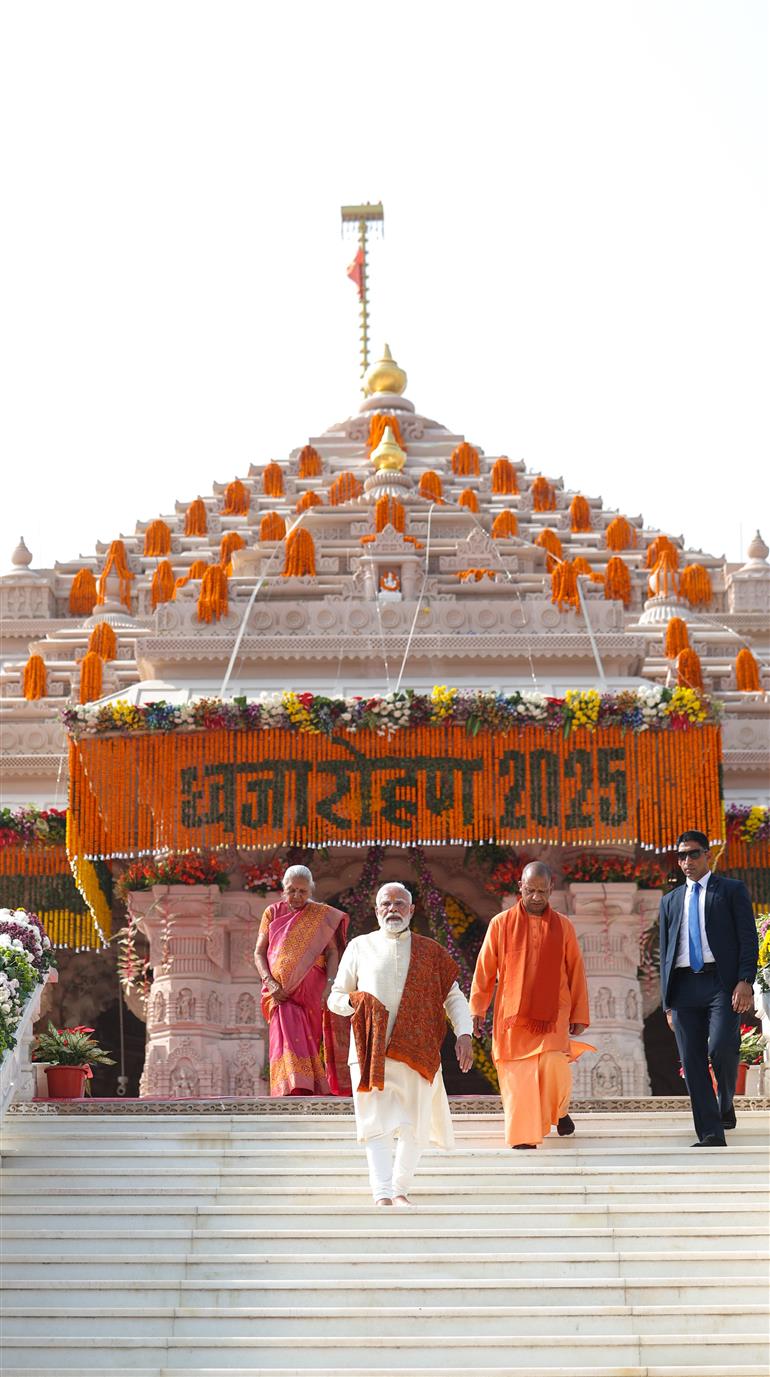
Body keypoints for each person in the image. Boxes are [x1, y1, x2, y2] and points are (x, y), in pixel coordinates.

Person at [327, 882, 473, 1206]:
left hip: (417, 1052)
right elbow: (335, 997)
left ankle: (400, 1189)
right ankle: (381, 1193)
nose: (392, 909)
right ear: (377, 910)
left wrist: (464, 1033)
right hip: (369, 1050)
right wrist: (359, 1003)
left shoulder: (431, 951)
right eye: (386, 904)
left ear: (411, 910)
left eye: (399, 903)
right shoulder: (359, 947)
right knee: (375, 1124)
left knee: (414, 1125)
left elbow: (454, 997)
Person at [469, 861, 592, 1149]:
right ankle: (523, 1136)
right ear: (520, 888)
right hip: (513, 1015)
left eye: (542, 892)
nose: (536, 897)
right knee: (518, 1075)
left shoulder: (564, 926)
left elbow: (575, 970)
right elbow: (485, 970)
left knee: (554, 1064)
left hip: (553, 1013)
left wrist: (579, 1013)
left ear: (551, 890)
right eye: (531, 890)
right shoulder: (500, 924)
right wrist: (477, 1009)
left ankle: (559, 1112)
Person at [659, 830, 758, 1146]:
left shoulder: (730, 890)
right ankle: (711, 1132)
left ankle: (725, 1103)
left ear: (707, 854)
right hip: (684, 986)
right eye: (681, 855)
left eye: (693, 853)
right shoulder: (669, 901)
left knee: (721, 1049)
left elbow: (747, 937)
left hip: (721, 983)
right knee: (692, 1059)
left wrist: (745, 980)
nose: (687, 861)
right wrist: (667, 1004)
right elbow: (665, 953)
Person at [254, 864, 350, 1097]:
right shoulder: (272, 912)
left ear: (311, 890)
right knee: (286, 1038)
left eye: (302, 891)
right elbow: (258, 952)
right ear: (283, 890)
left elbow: (333, 952)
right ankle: (290, 1090)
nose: (296, 896)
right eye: (291, 890)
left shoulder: (320, 916)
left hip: (313, 992)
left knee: (310, 1039)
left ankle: (314, 1089)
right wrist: (271, 983)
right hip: (280, 994)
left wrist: (330, 985)